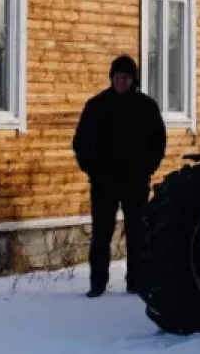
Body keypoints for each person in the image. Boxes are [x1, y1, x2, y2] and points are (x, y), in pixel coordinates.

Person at [72, 55, 166, 297]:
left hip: (135, 181)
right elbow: (81, 142)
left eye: (125, 77)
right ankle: (97, 284)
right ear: (111, 78)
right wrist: (92, 169)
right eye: (117, 77)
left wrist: (147, 169)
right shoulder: (97, 106)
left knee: (137, 234)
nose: (121, 81)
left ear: (133, 80)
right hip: (104, 182)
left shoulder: (146, 107)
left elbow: (158, 142)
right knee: (101, 234)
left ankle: (136, 281)